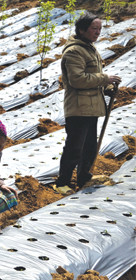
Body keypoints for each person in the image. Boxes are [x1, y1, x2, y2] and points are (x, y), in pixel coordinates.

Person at [55, 11, 122, 193]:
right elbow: (77, 79)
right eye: (94, 28)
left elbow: (91, 78)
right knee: (75, 148)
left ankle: (84, 177)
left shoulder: (89, 48)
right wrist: (104, 79)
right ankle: (63, 183)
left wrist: (107, 88)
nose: (98, 32)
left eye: (100, 28)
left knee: (90, 146)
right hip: (78, 108)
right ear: (82, 29)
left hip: (91, 108)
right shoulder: (74, 51)